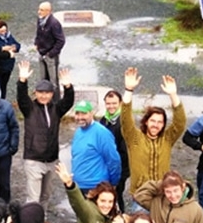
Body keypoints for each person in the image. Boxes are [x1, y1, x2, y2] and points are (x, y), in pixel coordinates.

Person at [15, 61, 74, 223]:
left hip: (51, 159)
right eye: (40, 92)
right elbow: (21, 97)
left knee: (45, 195)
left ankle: (42, 221)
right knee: (33, 197)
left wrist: (68, 86)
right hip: (33, 159)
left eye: (47, 93)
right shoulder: (29, 108)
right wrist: (22, 80)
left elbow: (68, 101)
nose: (44, 96)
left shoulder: (56, 109)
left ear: (51, 94)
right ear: (36, 93)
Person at [120, 68, 187, 210]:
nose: (156, 125)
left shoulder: (167, 139)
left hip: (163, 196)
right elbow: (125, 118)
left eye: (160, 122)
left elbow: (180, 122)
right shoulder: (135, 138)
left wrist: (173, 95)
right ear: (146, 122)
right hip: (140, 196)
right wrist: (129, 90)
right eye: (153, 121)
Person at [71, 99, 121, 193]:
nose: (80, 117)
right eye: (77, 113)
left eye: (84, 113)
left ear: (91, 113)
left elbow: (114, 160)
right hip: (78, 186)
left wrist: (113, 183)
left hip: (96, 187)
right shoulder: (78, 132)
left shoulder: (102, 133)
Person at [99, 89, 130, 212]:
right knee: (106, 194)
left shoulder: (124, 122)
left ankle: (120, 218)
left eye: (114, 103)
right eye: (108, 103)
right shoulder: (104, 120)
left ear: (120, 103)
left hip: (120, 166)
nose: (111, 106)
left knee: (116, 194)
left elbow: (125, 150)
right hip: (106, 166)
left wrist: (120, 173)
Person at [34, 1, 65, 85]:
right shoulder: (40, 20)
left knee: (53, 81)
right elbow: (38, 33)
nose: (39, 12)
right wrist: (36, 43)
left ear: (48, 11)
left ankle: (55, 97)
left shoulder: (54, 23)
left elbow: (61, 40)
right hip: (41, 52)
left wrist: (51, 53)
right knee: (43, 79)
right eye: (39, 9)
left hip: (50, 55)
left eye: (42, 10)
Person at [0, 21, 20, 99]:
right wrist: (5, 48)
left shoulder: (9, 36)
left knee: (4, 85)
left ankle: (3, 100)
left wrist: (15, 47)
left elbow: (18, 45)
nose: (3, 33)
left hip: (9, 66)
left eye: (5, 31)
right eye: (1, 31)